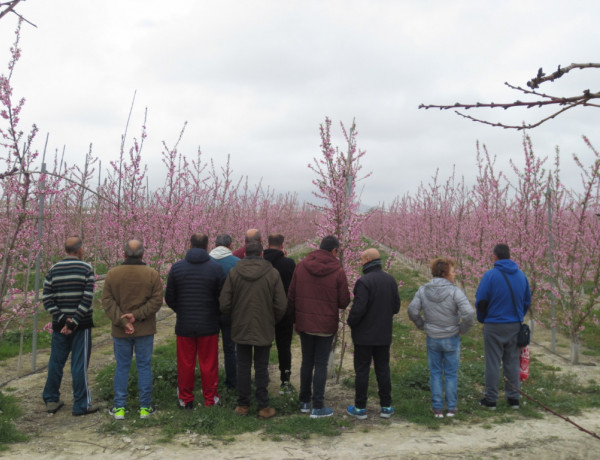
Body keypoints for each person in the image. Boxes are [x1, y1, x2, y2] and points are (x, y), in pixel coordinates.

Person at [219, 240, 287, 419]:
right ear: (262, 254)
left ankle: (243, 405)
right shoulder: (272, 273)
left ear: (243, 254)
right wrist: (272, 319)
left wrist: (234, 316)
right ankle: (263, 406)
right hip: (264, 325)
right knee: (261, 366)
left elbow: (224, 302)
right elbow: (281, 304)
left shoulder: (234, 272)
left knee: (243, 365)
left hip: (240, 325)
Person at [288, 235, 350, 418]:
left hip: (305, 323)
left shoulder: (301, 265)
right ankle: (318, 406)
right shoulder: (338, 270)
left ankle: (304, 402)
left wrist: (295, 318)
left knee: (307, 361)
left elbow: (291, 296)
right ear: (333, 251)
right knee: (321, 364)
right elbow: (344, 301)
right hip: (326, 324)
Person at [102, 240, 163, 419]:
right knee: (144, 366)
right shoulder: (152, 274)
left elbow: (107, 301)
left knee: (122, 366)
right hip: (144, 329)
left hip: (121, 331)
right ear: (143, 254)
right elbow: (157, 301)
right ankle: (145, 407)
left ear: (124, 254)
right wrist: (136, 316)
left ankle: (119, 408)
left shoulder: (113, 274)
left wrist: (124, 321)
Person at [165, 233, 226, 409]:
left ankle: (185, 399)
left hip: (185, 325)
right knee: (209, 364)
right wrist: (213, 311)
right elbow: (222, 297)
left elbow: (170, 297)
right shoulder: (216, 268)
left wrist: (182, 310)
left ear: (190, 245)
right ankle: (210, 399)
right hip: (209, 324)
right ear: (207, 247)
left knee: (185, 364)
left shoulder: (177, 268)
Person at [408, 257, 474, 418]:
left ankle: (437, 408)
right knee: (451, 373)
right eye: (452, 271)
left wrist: (422, 325)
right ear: (444, 273)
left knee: (435, 373)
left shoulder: (423, 290)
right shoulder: (454, 291)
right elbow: (469, 313)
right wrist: (462, 329)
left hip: (433, 337)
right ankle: (451, 408)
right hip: (451, 336)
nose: (454, 275)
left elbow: (412, 310)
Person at [42, 236, 98, 416]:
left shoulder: (53, 269)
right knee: (79, 364)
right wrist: (73, 321)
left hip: (60, 326)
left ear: (65, 250)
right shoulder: (86, 268)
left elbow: (47, 298)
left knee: (56, 361)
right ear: (80, 250)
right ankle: (81, 404)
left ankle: (51, 399)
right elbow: (87, 297)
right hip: (81, 325)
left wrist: (62, 319)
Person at [346, 248, 400, 420]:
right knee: (383, 369)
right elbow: (396, 307)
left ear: (368, 259)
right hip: (383, 334)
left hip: (364, 336)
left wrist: (351, 321)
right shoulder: (390, 280)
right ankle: (386, 406)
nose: (360, 262)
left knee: (362, 370)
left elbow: (359, 308)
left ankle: (360, 408)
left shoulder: (364, 281)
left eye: (361, 259)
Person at [476, 243, 531, 410]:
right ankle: (514, 399)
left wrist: (483, 319)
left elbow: (481, 301)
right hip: (514, 325)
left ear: (495, 256)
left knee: (492, 363)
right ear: (509, 256)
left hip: (494, 325)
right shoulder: (522, 276)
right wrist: (518, 316)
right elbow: (527, 300)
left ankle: (491, 400)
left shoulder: (490, 275)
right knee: (512, 362)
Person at [263, 233, 296, 394]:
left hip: (264, 311)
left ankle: (262, 379)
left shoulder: (262, 262)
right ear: (283, 245)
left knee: (263, 346)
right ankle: (285, 381)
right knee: (284, 347)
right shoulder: (289, 263)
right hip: (284, 311)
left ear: (268, 245)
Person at [209, 233, 240, 390]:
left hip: (210, 311)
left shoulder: (207, 262)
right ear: (231, 246)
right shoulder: (237, 263)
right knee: (230, 348)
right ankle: (232, 383)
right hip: (230, 311)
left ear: (214, 245)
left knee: (210, 349)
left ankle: (211, 383)